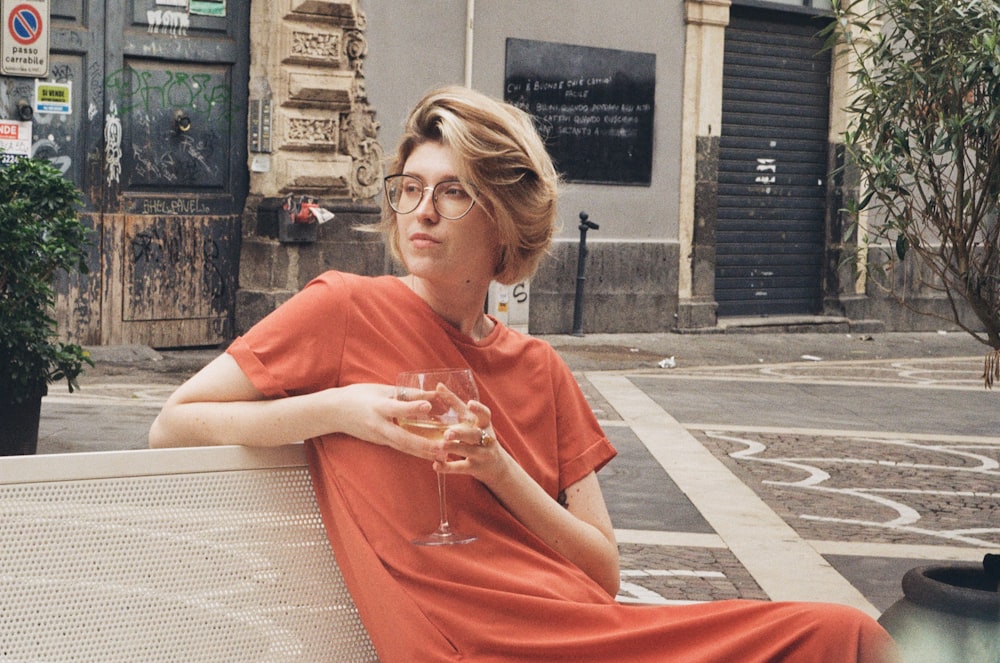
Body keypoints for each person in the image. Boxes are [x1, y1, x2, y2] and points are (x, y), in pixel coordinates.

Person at [149, 85, 901, 663]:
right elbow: (172, 426)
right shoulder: (345, 308)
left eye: (452, 191)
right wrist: (338, 409)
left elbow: (601, 573)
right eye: (410, 187)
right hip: (468, 645)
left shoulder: (539, 368)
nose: (422, 210)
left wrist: (500, 468)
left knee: (844, 635)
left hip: (584, 633)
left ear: (503, 218)